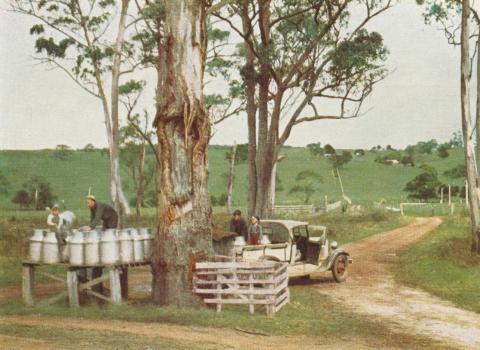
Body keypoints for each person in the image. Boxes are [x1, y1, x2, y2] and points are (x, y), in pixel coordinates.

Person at [84, 195, 119, 296]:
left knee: (110, 236)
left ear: (93, 201)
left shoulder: (99, 206)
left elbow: (98, 217)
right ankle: (104, 252)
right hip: (106, 220)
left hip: (112, 218)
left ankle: (111, 253)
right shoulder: (92, 208)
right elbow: (93, 218)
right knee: (103, 236)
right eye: (86, 203)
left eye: (89, 202)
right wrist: (90, 227)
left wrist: (91, 227)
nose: (88, 204)